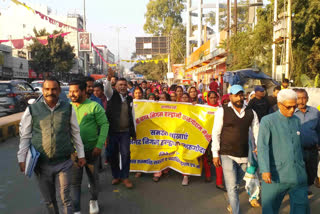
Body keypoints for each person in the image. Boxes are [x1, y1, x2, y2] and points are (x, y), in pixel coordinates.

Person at [18, 77, 86, 214]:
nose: (51, 92)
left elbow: (75, 133)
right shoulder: (32, 110)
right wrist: (21, 158)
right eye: (47, 89)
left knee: (65, 199)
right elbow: (25, 136)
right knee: (49, 200)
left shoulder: (68, 109)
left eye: (54, 89)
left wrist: (81, 154)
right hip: (41, 164)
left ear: (59, 91)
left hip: (64, 162)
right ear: (42, 91)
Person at [258, 89, 310, 214]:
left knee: (301, 207)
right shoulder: (267, 121)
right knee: (270, 208)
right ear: (279, 104)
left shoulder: (296, 120)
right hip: (275, 175)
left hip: (297, 174)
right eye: (289, 107)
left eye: (294, 106)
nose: (292, 110)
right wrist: (265, 170)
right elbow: (262, 146)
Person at [212, 85, 259, 213]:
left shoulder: (251, 112)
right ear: (230, 96)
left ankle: (231, 202)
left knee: (237, 182)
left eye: (241, 95)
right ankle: (235, 210)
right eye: (236, 95)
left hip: (244, 154)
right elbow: (215, 132)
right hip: (226, 153)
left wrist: (258, 147)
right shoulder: (222, 111)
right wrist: (215, 153)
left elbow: (256, 131)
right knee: (232, 186)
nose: (239, 98)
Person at [69, 80, 109, 214]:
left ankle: (93, 200)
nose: (71, 94)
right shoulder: (67, 107)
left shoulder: (94, 106)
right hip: (74, 153)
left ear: (83, 91)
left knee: (93, 179)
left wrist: (99, 145)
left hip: (92, 151)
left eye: (75, 91)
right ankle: (76, 210)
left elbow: (104, 124)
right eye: (70, 91)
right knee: (75, 183)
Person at [104, 72, 136, 189]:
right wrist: (108, 79)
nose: (122, 87)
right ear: (116, 87)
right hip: (113, 132)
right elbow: (106, 89)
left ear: (127, 86)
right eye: (120, 85)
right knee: (113, 154)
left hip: (125, 132)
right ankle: (116, 175)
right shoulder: (111, 95)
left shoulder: (130, 98)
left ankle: (125, 177)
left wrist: (134, 132)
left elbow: (133, 116)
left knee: (126, 154)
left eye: (124, 85)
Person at [294, 89, 320, 194]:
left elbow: (319, 129)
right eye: (298, 98)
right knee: (298, 173)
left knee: (312, 173)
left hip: (312, 150)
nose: (301, 101)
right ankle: (299, 191)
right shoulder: (291, 113)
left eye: (304, 98)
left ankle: (305, 186)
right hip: (297, 150)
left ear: (307, 99)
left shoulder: (315, 112)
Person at [205, 91, 225, 191]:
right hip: (205, 136)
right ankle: (208, 175)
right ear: (208, 98)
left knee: (218, 158)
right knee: (207, 157)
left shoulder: (221, 109)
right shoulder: (203, 108)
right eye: (211, 97)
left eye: (214, 97)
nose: (213, 99)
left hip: (217, 136)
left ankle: (219, 182)